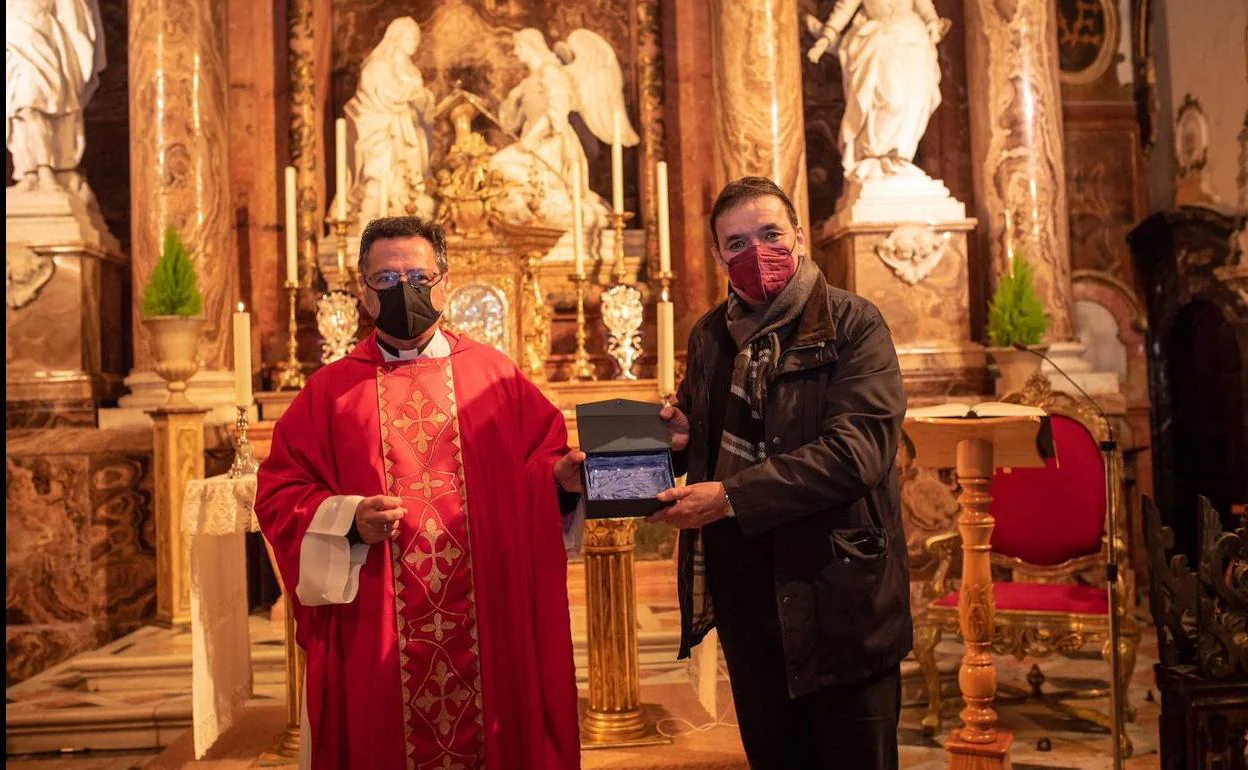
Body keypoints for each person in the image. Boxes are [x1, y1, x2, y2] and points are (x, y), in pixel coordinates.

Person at [254, 216, 586, 770]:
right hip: (379, 617)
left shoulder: (494, 376)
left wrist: (558, 482)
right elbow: (280, 491)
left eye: (417, 276)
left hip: (486, 615)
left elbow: (542, 459)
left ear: (444, 282)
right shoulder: (331, 392)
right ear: (362, 291)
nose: (403, 290)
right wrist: (348, 517)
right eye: (385, 280)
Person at [653, 177, 911, 769]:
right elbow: (703, 438)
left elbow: (857, 453)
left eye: (770, 234)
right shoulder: (710, 335)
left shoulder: (853, 324)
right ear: (719, 256)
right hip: (750, 604)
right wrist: (674, 445)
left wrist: (729, 498)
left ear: (799, 236)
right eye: (736, 242)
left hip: (839, 594)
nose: (756, 253)